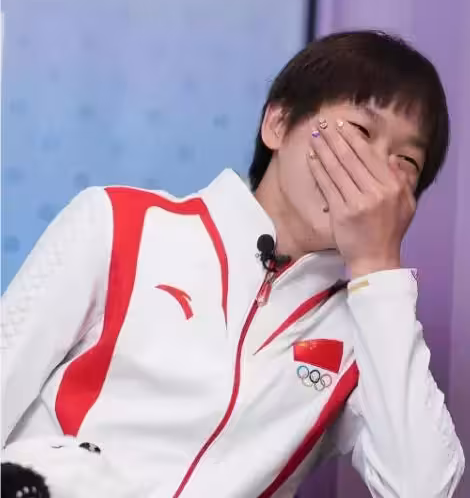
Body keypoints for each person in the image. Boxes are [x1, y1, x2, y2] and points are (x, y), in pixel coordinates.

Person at [1, 30, 465, 497]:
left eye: (405, 161)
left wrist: (377, 267)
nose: (374, 172)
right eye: (361, 132)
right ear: (278, 123)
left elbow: (423, 490)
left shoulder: (365, 337)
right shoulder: (118, 224)